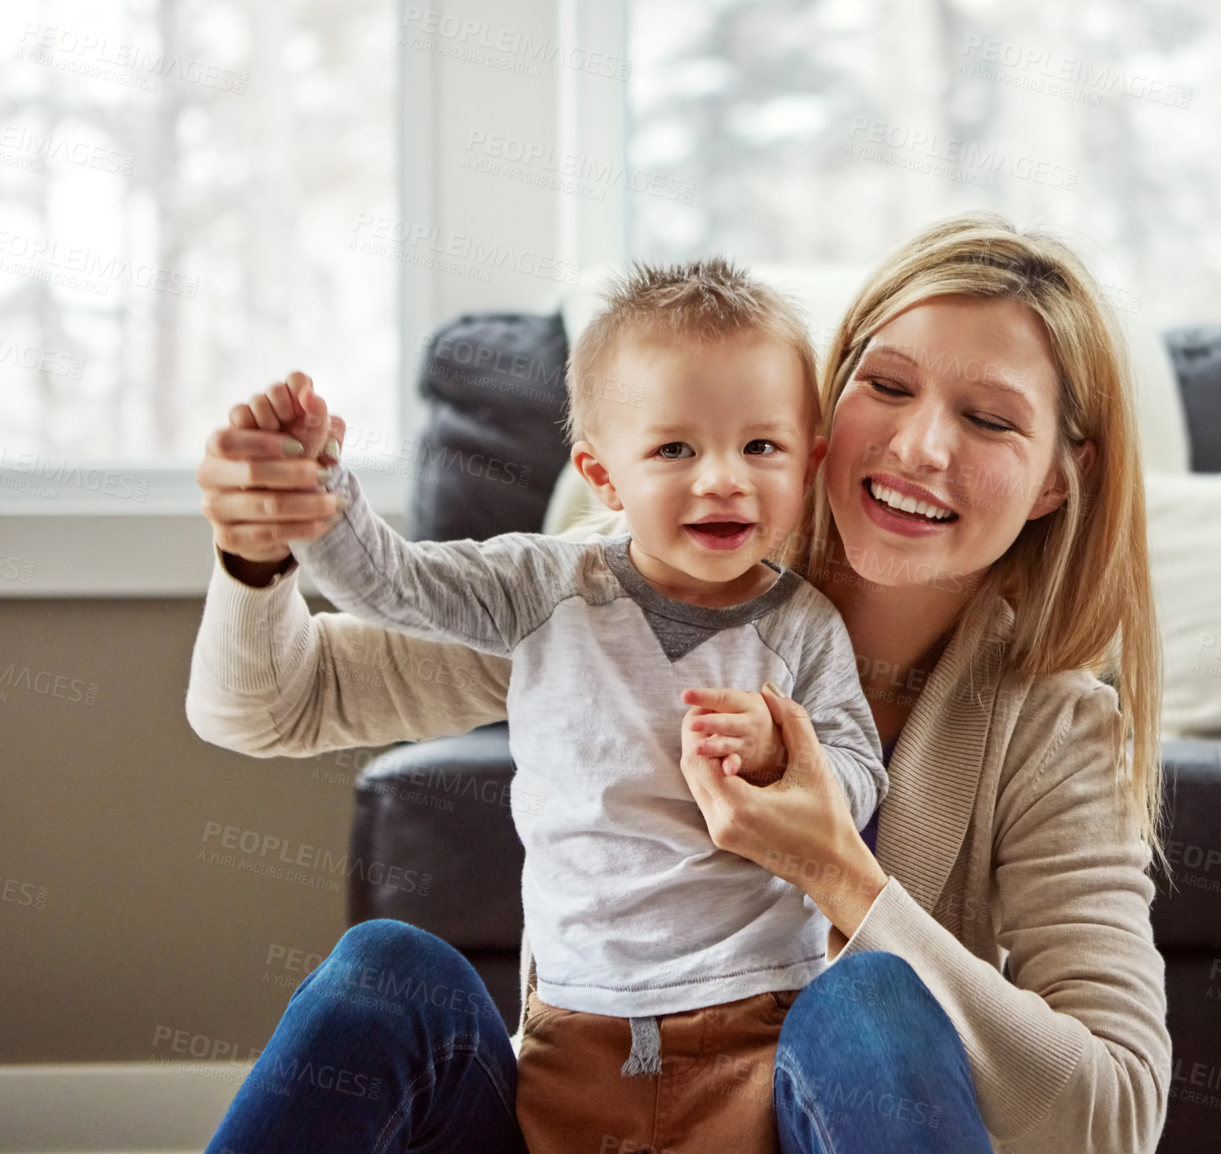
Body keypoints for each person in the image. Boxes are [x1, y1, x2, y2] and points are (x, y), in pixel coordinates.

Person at [187, 212, 1172, 1153]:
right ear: (828, 406)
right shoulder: (623, 590)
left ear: (1056, 477)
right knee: (381, 970)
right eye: (889, 385)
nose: (920, 446)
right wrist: (255, 551)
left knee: (872, 995)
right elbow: (275, 704)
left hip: (786, 1113)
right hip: (572, 1107)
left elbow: (1114, 1114)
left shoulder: (1058, 724)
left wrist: (844, 874)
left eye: (991, 418)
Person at [234, 260, 889, 1154]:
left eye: (761, 448)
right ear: (603, 476)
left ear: (810, 464)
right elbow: (392, 586)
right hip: (574, 1038)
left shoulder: (804, 624)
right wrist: (320, 493)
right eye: (675, 450)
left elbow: (858, 780)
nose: (724, 480)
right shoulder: (546, 584)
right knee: (384, 961)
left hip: (760, 1031)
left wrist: (787, 754)